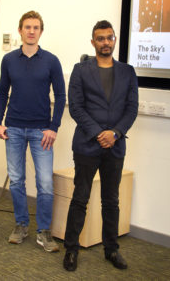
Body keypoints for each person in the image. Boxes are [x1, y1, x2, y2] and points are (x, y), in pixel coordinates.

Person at [62, 20, 138, 271]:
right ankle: (71, 250)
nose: (106, 42)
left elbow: (131, 108)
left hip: (115, 147)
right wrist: (98, 133)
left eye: (109, 37)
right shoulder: (80, 69)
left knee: (111, 200)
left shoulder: (128, 72)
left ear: (114, 40)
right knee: (80, 198)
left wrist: (115, 133)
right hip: (86, 145)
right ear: (93, 42)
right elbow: (76, 106)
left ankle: (111, 249)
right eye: (100, 38)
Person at [0, 11, 66, 252]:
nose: (31, 31)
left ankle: (44, 231)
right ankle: (21, 224)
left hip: (41, 132)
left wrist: (53, 127)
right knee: (16, 180)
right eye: (27, 27)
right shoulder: (9, 60)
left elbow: (61, 95)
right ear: (20, 30)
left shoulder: (51, 61)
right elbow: (3, 92)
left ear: (41, 32)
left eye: (36, 27)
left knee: (45, 183)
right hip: (13, 128)